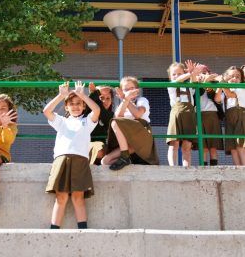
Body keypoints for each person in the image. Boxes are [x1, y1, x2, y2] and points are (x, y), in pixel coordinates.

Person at [43, 81, 100, 229]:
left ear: (83, 106)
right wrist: (61, 96)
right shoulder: (61, 121)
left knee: (78, 196)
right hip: (61, 160)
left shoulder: (87, 122)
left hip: (80, 161)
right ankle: (54, 230)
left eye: (79, 103)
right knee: (61, 197)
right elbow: (46, 111)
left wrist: (83, 95)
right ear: (66, 106)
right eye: (72, 104)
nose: (75, 106)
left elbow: (97, 110)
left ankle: (83, 230)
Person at [101, 76, 159, 170]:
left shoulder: (142, 100)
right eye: (126, 89)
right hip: (129, 142)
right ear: (122, 92)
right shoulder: (123, 103)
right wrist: (125, 100)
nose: (128, 91)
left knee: (115, 122)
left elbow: (137, 114)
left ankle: (124, 156)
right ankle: (127, 159)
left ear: (137, 90)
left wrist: (126, 99)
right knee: (105, 161)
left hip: (141, 135)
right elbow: (117, 117)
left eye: (131, 89)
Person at [166, 60, 201, 167]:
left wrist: (193, 73)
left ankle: (187, 168)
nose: (176, 76)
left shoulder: (189, 86)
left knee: (187, 145)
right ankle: (173, 167)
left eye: (179, 73)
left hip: (189, 115)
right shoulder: (171, 85)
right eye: (174, 74)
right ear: (170, 77)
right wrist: (189, 73)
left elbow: (194, 82)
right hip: (176, 114)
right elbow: (178, 81)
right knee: (174, 143)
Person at [215, 66, 245, 165]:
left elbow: (230, 94)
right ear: (226, 78)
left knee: (240, 145)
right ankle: (237, 169)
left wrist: (222, 81)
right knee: (232, 147)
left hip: (241, 118)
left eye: (238, 77)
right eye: (232, 76)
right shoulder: (225, 89)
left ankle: (244, 168)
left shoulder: (241, 88)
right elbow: (217, 99)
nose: (235, 79)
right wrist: (221, 83)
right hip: (229, 120)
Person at [196, 64, 224, 166]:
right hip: (198, 115)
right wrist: (203, 82)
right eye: (200, 73)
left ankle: (214, 168)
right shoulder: (194, 84)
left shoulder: (214, 83)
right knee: (203, 146)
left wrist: (211, 81)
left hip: (212, 116)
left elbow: (216, 98)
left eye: (205, 72)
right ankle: (203, 168)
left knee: (213, 146)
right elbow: (195, 97)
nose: (203, 74)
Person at [84, 82, 114, 165]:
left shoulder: (110, 115)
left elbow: (103, 113)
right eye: (101, 98)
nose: (105, 101)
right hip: (85, 143)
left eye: (108, 98)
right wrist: (93, 94)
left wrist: (95, 94)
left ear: (112, 100)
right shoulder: (87, 111)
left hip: (100, 148)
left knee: (99, 151)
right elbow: (89, 107)